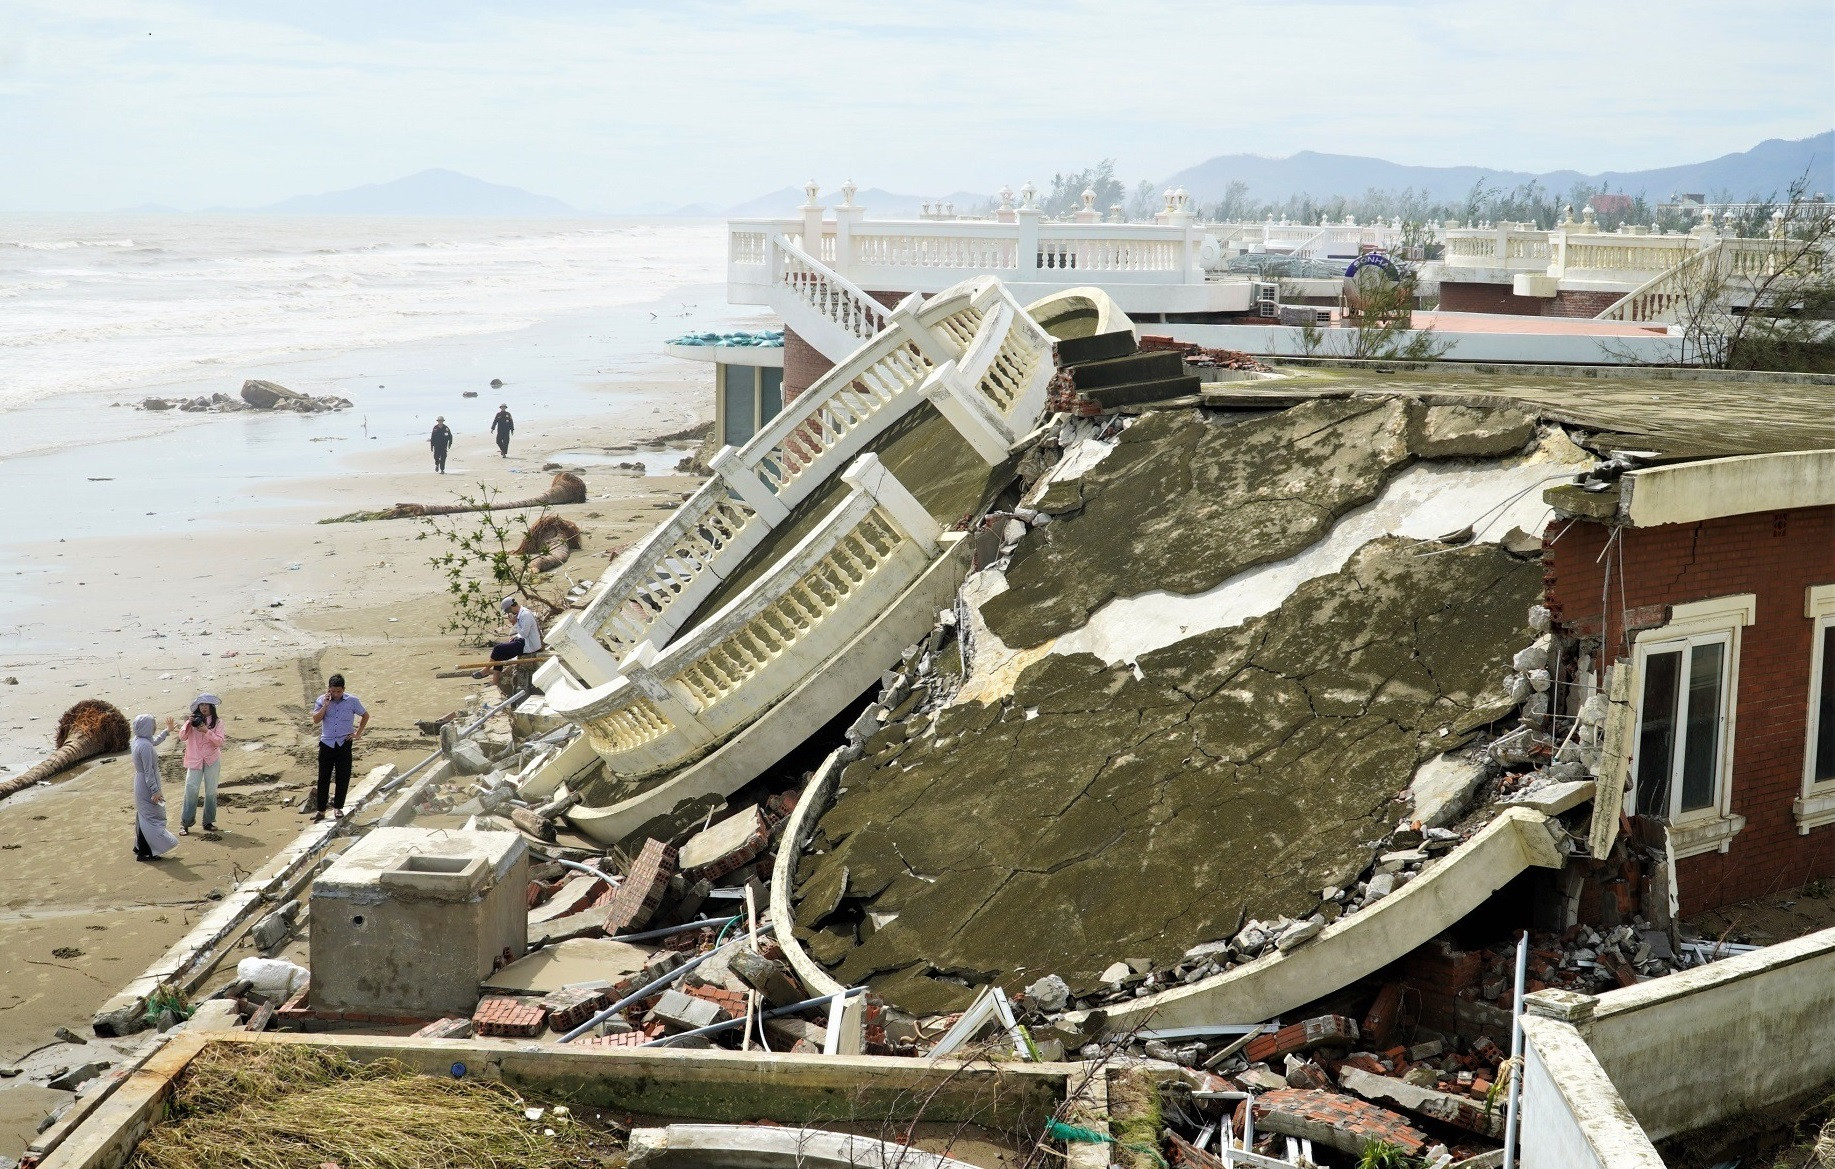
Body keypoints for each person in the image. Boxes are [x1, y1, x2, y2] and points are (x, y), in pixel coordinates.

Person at [310, 673, 369, 822]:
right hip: (327, 743)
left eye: (338, 691)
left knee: (343, 776)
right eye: (333, 691)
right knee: (323, 777)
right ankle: (321, 810)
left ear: (343, 689)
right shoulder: (321, 700)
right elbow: (316, 720)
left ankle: (338, 808)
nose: (336, 694)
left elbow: (365, 715)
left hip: (344, 743)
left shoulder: (352, 701)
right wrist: (325, 705)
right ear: (328, 689)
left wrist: (358, 733)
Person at [168, 693, 226, 835]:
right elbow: (182, 737)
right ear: (198, 708)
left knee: (211, 791)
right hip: (194, 760)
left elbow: (220, 742)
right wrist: (189, 723)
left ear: (211, 707)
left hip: (212, 759)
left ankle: (208, 822)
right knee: (191, 790)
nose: (204, 707)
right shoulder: (192, 722)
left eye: (206, 705)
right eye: (201, 705)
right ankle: (185, 823)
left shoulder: (218, 723)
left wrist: (206, 731)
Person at [131, 714, 179, 861]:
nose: (154, 728)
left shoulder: (138, 740)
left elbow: (154, 741)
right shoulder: (144, 746)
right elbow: (148, 772)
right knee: (152, 817)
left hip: (141, 782)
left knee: (144, 815)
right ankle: (146, 852)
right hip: (147, 785)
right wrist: (155, 791)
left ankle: (140, 847)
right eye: (152, 725)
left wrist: (167, 731)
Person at [475, 596, 542, 681]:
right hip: (524, 641)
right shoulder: (521, 613)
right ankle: (494, 681)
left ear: (511, 607)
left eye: (508, 611)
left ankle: (486, 669)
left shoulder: (525, 614)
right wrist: (515, 637)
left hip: (529, 645)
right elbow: (523, 632)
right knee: (499, 654)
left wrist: (514, 623)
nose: (508, 613)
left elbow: (525, 634)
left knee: (498, 648)